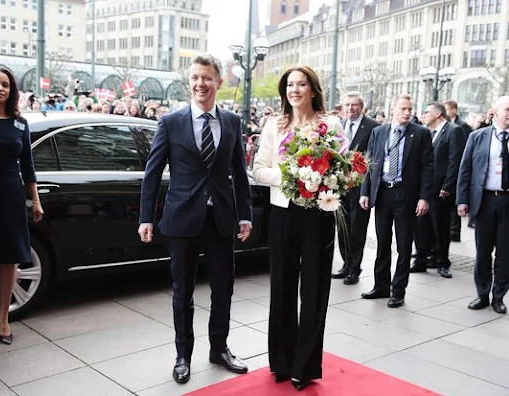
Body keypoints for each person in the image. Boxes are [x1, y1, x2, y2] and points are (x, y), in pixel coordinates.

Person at [138, 54, 253, 384]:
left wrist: (244, 215)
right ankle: (182, 355)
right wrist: (146, 217)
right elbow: (153, 172)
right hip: (182, 218)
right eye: (195, 78)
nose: (200, 84)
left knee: (224, 289)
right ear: (189, 83)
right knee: (182, 290)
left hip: (221, 220)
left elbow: (239, 174)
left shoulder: (231, 122)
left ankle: (219, 348)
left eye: (206, 78)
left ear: (218, 82)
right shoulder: (171, 122)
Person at [252, 66, 342, 391]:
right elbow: (259, 169)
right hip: (283, 213)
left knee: (315, 290)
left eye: (301, 84)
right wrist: (290, 176)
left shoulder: (329, 124)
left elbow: (341, 168)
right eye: (290, 85)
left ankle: (304, 366)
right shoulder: (273, 125)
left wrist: (323, 180)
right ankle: (281, 360)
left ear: (313, 89)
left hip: (318, 215)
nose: (295, 90)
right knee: (282, 288)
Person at [0, 67, 44, 348]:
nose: (0, 88)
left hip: (12, 197)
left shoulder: (20, 123)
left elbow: (28, 165)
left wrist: (35, 199)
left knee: (9, 259)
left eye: (5, 84)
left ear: (11, 90)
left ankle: (3, 319)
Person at [359, 93, 433, 308]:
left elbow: (428, 167)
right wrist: (365, 191)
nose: (407, 113)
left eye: (410, 109)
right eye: (403, 109)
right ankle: (381, 286)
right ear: (393, 109)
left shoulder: (420, 134)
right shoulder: (378, 132)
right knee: (382, 243)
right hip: (382, 192)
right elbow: (369, 164)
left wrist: (423, 198)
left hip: (405, 195)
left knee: (403, 245)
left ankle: (398, 291)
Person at [457, 96, 509, 315]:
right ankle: (482, 294)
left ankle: (499, 296)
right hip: (485, 200)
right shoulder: (478, 137)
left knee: (506, 252)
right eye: (508, 108)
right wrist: (462, 200)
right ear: (495, 111)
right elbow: (465, 169)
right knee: (483, 251)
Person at [411, 103, 465, 279]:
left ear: (438, 114)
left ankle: (442, 261)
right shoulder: (425, 132)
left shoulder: (453, 131)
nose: (423, 115)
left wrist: (447, 186)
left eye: (427, 112)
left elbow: (455, 161)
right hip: (425, 188)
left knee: (440, 226)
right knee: (421, 225)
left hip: (441, 189)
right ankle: (423, 258)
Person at [332, 92, 380, 285]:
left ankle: (354, 268)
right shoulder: (339, 126)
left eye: (354, 105)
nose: (350, 108)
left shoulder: (373, 127)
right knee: (342, 228)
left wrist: (367, 189)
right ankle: (345, 264)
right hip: (339, 186)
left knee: (357, 230)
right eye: (347, 105)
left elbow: (374, 159)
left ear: (361, 107)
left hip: (360, 187)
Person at [443, 100, 471, 239]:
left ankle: (455, 231)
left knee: (454, 204)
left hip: (456, 168)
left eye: (446, 109)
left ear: (454, 110)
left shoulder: (462, 126)